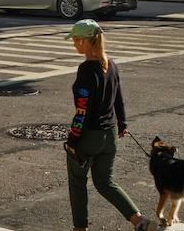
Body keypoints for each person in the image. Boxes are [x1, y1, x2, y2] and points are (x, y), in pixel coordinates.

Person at [63, 20, 146, 231]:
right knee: (105, 182)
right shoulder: (111, 64)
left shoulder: (86, 70)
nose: (74, 44)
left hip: (89, 136)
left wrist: (73, 139)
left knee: (77, 182)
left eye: (75, 40)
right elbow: (119, 98)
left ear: (84, 41)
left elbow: (83, 109)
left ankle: (80, 228)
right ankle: (139, 221)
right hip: (109, 135)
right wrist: (122, 123)